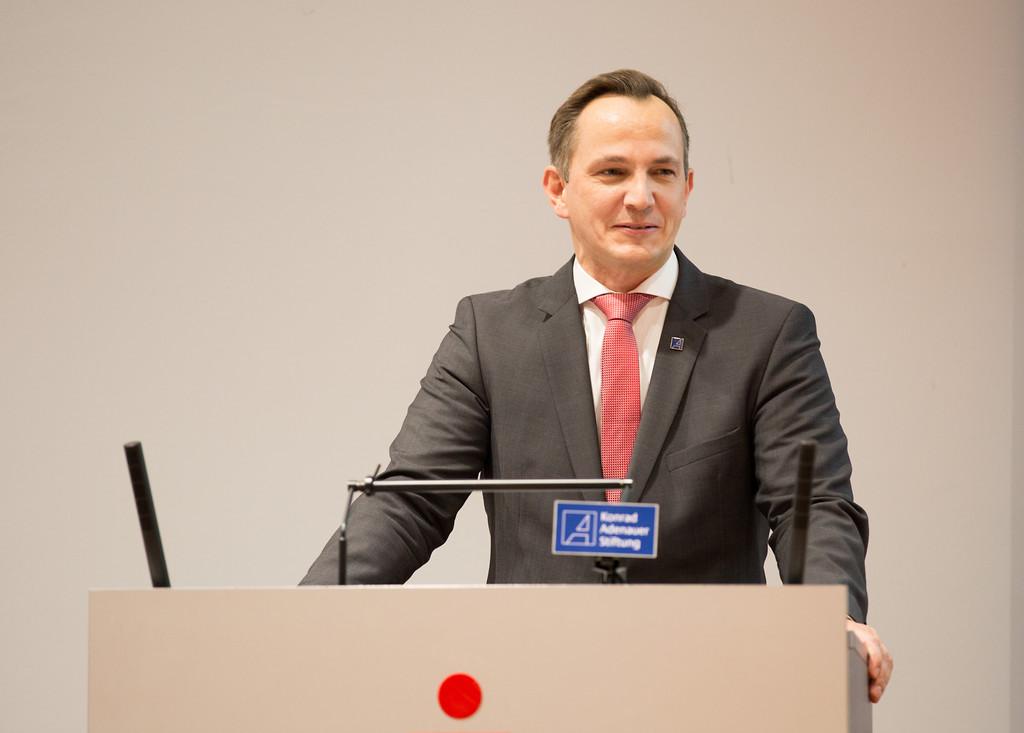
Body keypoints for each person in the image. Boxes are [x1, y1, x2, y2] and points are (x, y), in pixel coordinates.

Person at [302, 69, 893, 702]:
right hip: (530, 685)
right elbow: (412, 499)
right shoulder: (491, 332)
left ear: (688, 187)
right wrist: (306, 617)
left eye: (662, 173)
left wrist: (832, 621)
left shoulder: (765, 333)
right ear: (558, 189)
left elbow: (811, 505)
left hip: (708, 684)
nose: (641, 197)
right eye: (613, 172)